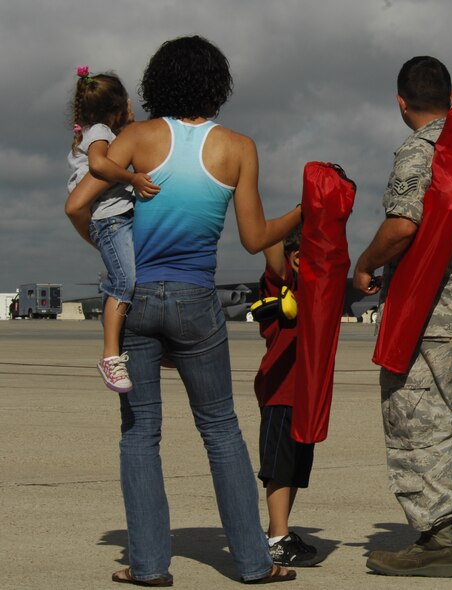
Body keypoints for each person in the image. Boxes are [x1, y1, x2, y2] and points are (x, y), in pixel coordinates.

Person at [66, 36, 301, 585]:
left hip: (136, 300)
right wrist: (304, 211)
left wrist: (112, 256)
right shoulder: (238, 147)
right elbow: (254, 239)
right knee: (220, 430)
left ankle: (148, 566)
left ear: (157, 83)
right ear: (218, 85)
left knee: (139, 433)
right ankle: (251, 561)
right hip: (197, 300)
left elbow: (78, 205)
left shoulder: (136, 137)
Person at [353, 56, 452, 578]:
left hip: (424, 316)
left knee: (418, 427)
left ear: (401, 102)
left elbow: (402, 225)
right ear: (451, 92)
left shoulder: (420, 152)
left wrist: (365, 264)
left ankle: (437, 538)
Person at [66, 67, 160, 393]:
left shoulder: (99, 131)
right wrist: (133, 178)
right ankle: (109, 356)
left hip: (116, 218)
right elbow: (99, 165)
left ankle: (154, 343)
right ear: (115, 108)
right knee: (125, 281)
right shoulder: (100, 133)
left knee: (137, 277)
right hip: (111, 219)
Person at [253, 225, 323, 568]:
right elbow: (268, 241)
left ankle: (276, 532)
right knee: (279, 468)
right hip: (281, 389)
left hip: (306, 393)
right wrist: (301, 215)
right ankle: (277, 539)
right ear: (295, 259)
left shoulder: (315, 288)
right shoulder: (284, 281)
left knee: (294, 467)